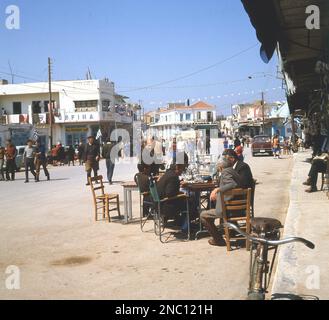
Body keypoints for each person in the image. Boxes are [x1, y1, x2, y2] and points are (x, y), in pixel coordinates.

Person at [201, 158, 243, 246]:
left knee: (203, 215)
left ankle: (218, 239)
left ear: (220, 167)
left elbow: (232, 184)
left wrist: (217, 189)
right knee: (211, 210)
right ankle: (229, 233)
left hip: (229, 210)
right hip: (238, 208)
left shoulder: (225, 172)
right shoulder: (233, 171)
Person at [156, 152, 190, 223]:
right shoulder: (173, 177)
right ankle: (185, 226)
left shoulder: (168, 173)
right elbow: (169, 193)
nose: (183, 170)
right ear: (178, 166)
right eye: (183, 168)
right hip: (166, 207)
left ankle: (181, 222)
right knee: (192, 202)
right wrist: (182, 194)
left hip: (159, 206)